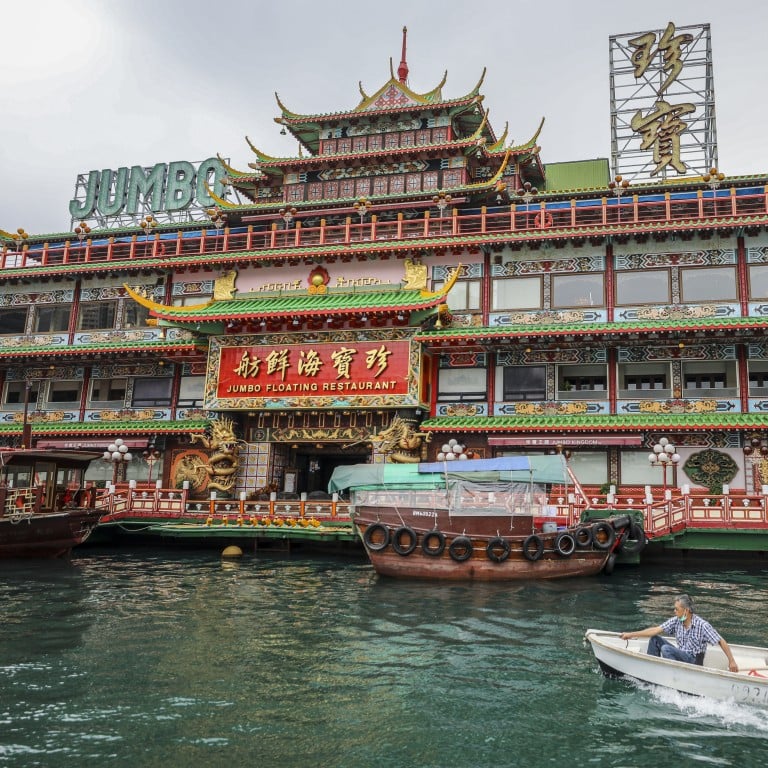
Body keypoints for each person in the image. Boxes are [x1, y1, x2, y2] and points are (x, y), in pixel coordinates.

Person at [620, 594, 738, 672]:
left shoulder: (702, 625)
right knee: (655, 639)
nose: (674, 611)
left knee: (666, 649)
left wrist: (731, 661)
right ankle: (652, 671)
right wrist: (631, 634)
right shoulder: (676, 621)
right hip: (682, 655)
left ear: (686, 610)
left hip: (694, 661)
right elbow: (655, 630)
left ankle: (674, 676)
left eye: (677, 609)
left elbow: (721, 641)